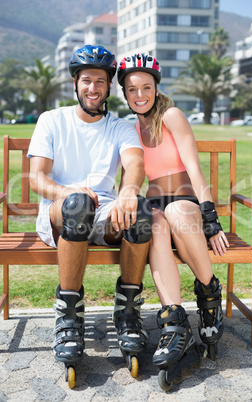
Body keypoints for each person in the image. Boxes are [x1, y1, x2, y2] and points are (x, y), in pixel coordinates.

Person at [27, 45, 152, 376]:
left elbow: (135, 162)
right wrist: (69, 191)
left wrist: (127, 191)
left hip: (105, 212)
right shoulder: (52, 120)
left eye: (100, 80)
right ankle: (69, 315)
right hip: (59, 211)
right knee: (77, 204)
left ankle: (127, 312)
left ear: (109, 85)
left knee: (139, 210)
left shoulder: (120, 126)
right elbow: (37, 179)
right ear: (75, 84)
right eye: (86, 80)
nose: (93, 88)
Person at [117, 53, 230, 370]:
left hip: (184, 199)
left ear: (156, 87)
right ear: (125, 94)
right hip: (155, 205)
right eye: (132, 89)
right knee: (154, 223)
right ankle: (175, 321)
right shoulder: (130, 131)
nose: (140, 95)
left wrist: (210, 219)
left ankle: (209, 295)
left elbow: (195, 169)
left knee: (178, 213)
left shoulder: (172, 116)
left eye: (146, 87)